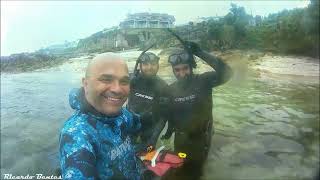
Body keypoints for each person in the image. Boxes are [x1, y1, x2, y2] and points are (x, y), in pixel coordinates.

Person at [59, 53, 142, 179]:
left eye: (124, 81)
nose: (117, 89)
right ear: (85, 84)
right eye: (106, 79)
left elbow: (137, 123)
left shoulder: (122, 114)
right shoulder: (77, 135)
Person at [162, 42, 233, 180]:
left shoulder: (204, 81)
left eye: (185, 68)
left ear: (191, 67)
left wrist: (201, 53)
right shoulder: (170, 90)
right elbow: (170, 113)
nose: (182, 73)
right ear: (173, 70)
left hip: (202, 139)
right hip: (181, 139)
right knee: (179, 169)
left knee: (197, 173)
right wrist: (169, 130)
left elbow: (228, 73)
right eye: (177, 70)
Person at [128, 51, 169, 152]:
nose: (149, 67)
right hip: (130, 125)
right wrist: (127, 81)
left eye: (153, 64)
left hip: (150, 128)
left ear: (158, 65)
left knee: (147, 158)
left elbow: (164, 116)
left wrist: (154, 137)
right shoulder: (131, 80)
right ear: (140, 66)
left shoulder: (163, 86)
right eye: (145, 64)